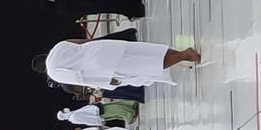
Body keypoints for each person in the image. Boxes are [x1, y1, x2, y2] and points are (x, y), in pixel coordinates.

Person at [36, 37, 201, 88]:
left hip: (102, 66)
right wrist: (98, 44)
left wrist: (107, 82)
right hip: (103, 48)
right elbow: (80, 42)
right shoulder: (57, 46)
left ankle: (184, 55)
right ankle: (182, 54)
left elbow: (79, 78)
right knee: (148, 51)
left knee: (147, 66)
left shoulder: (54, 72)